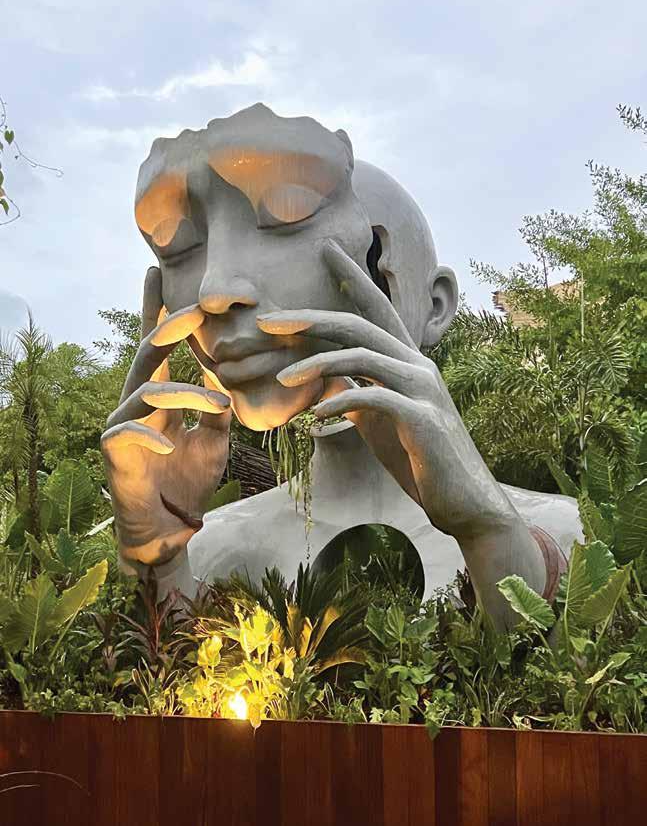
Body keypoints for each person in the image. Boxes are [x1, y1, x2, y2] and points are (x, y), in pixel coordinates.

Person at [101, 103, 579, 628]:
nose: (213, 292)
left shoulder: (565, 535)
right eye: (179, 247)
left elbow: (555, 678)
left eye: (287, 215)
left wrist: (487, 532)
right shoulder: (214, 550)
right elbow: (163, 679)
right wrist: (160, 559)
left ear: (436, 304)